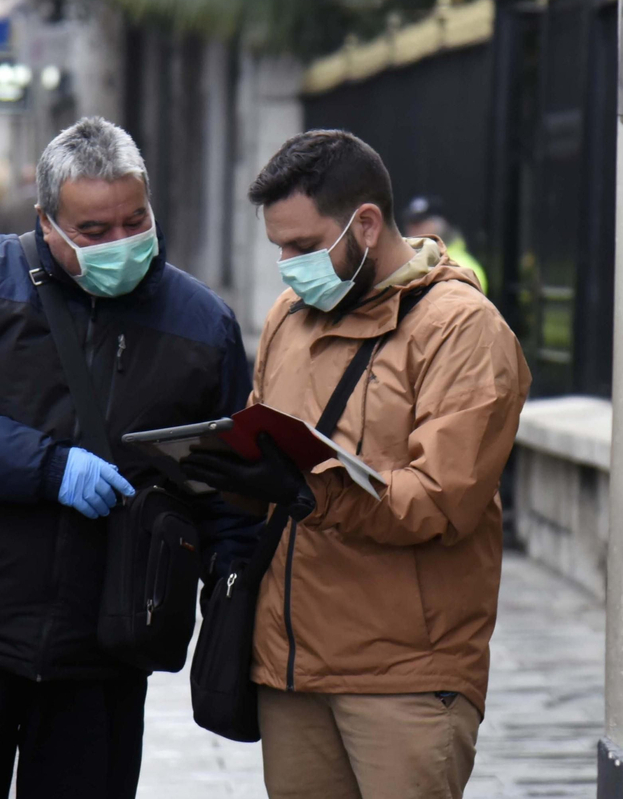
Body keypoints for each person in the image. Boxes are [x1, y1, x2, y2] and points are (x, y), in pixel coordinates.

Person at [0, 117, 262, 799]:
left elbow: (226, 493)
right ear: (46, 222)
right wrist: (51, 468)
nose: (121, 242)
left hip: (104, 655)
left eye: (133, 220)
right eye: (94, 231)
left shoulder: (204, 325)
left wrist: (227, 613)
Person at [181, 131, 531, 799]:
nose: (287, 266)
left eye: (303, 246)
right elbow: (264, 441)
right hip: (290, 671)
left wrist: (310, 492)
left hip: (403, 675)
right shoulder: (291, 314)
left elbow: (441, 501)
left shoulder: (462, 330)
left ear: (365, 224)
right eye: (278, 246)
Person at [401, 195, 488, 294]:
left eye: (420, 223)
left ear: (441, 224)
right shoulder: (407, 262)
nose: (413, 230)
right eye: (410, 223)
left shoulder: (464, 267)